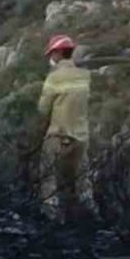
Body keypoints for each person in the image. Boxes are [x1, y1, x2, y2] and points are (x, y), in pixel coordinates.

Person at [36, 33, 91, 222]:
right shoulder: (85, 76)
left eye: (52, 54)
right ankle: (86, 216)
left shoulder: (54, 78)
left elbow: (43, 109)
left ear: (58, 53)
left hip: (58, 136)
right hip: (81, 137)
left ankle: (51, 216)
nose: (51, 58)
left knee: (49, 177)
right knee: (81, 180)